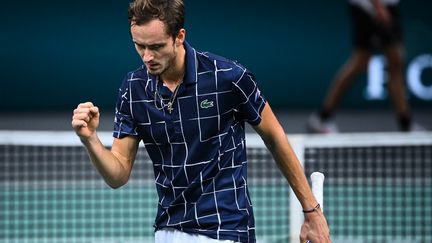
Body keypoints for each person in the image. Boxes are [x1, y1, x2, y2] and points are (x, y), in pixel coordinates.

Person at [71, 0, 330, 242]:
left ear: (179, 37)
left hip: (224, 227)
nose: (147, 56)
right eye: (140, 46)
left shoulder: (227, 78)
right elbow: (118, 175)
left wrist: (311, 211)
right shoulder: (134, 88)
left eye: (157, 46)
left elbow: (275, 138)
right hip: (168, 229)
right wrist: (90, 140)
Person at [307, 0, 422, 133]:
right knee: (371, 61)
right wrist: (378, 7)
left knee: (388, 62)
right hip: (372, 8)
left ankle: (406, 123)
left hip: (383, 6)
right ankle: (322, 117)